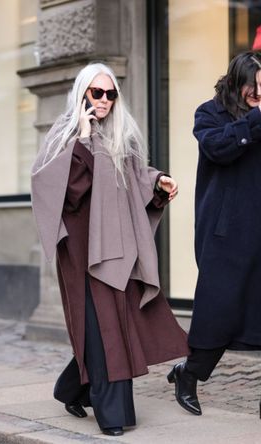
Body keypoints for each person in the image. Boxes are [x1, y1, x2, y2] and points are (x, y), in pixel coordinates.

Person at [31, 62, 189, 436]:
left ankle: (71, 388)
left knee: (113, 324)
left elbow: (134, 178)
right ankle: (113, 415)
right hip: (82, 251)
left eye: (110, 94)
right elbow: (63, 194)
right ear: (82, 93)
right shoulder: (63, 133)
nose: (103, 101)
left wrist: (157, 181)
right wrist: (83, 140)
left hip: (116, 245)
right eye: (96, 93)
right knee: (102, 327)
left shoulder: (122, 135)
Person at [168, 51, 261, 418]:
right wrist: (255, 120)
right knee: (218, 314)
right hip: (227, 235)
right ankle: (188, 374)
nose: (257, 92)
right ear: (238, 82)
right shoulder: (210, 113)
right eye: (253, 86)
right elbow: (217, 148)